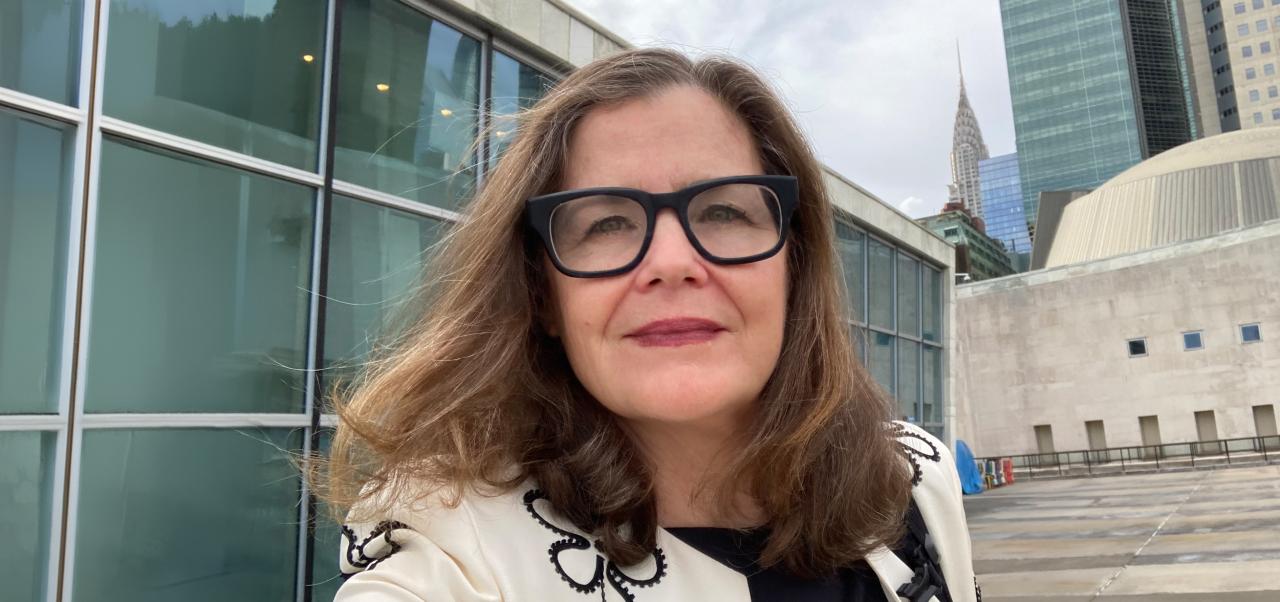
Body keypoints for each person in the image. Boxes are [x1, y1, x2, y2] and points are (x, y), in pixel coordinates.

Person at [325, 47, 977, 601]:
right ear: (543, 296)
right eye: (605, 223)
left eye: (723, 212)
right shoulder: (460, 560)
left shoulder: (916, 478)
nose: (672, 263)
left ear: (792, 264)